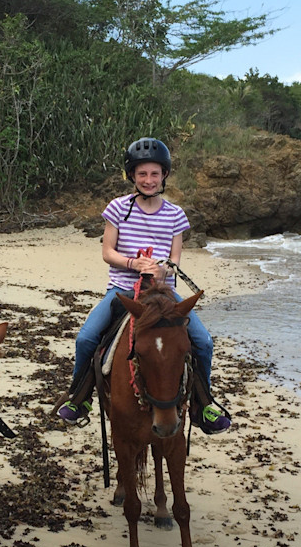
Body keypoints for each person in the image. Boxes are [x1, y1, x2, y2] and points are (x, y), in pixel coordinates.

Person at [53, 137, 231, 434]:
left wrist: (161, 271)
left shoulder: (175, 215)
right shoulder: (118, 209)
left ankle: (205, 403)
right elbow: (107, 252)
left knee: (203, 341)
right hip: (122, 290)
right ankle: (79, 397)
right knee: (86, 338)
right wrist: (134, 264)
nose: (148, 180)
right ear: (132, 176)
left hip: (163, 292)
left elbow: (174, 260)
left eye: (154, 174)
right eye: (142, 174)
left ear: (164, 176)